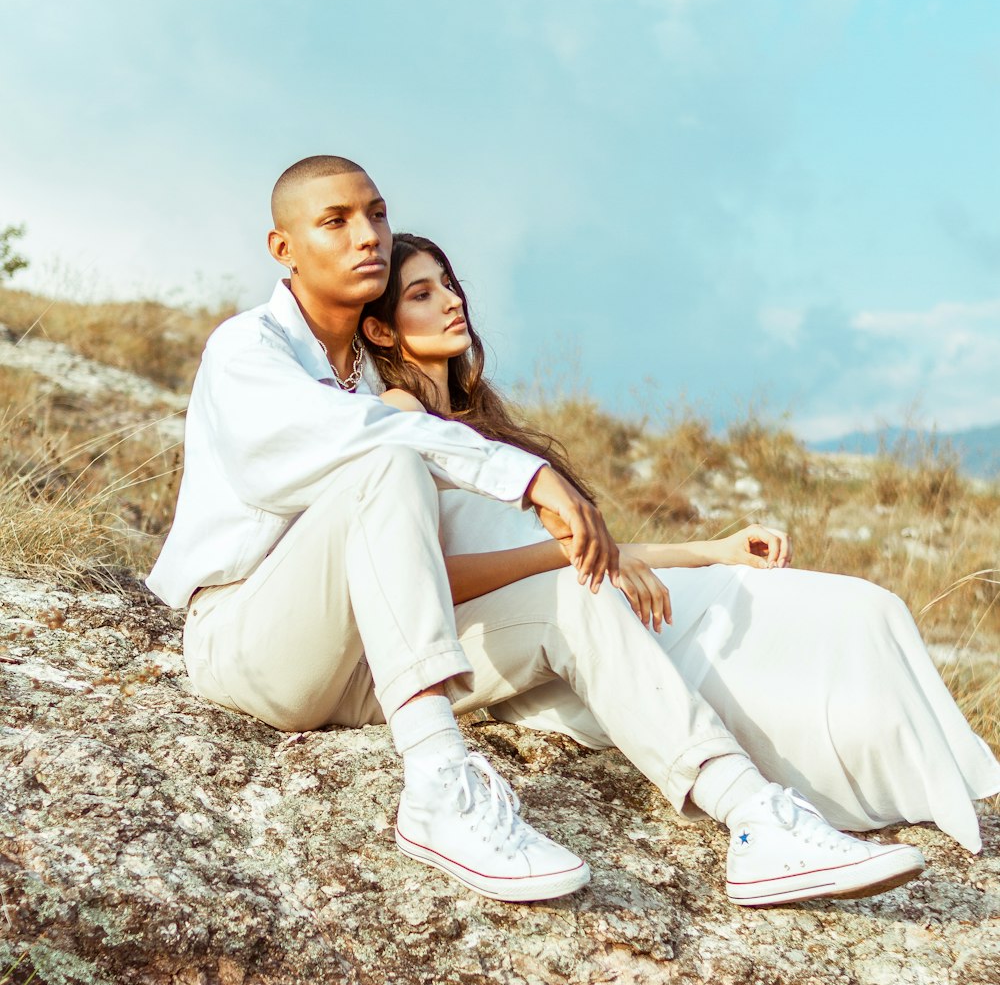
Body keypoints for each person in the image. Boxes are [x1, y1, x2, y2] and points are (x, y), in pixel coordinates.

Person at [146, 154, 928, 914]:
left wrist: (679, 550)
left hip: (364, 667)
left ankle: (754, 818)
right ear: (283, 248)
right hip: (247, 644)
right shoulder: (249, 348)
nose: (367, 236)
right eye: (336, 220)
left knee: (571, 592)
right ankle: (440, 785)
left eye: (377, 214)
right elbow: (326, 448)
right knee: (386, 461)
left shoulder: (370, 374)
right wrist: (528, 477)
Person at [359, 230, 1000, 863]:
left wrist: (713, 551)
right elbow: (429, 579)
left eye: (450, 284)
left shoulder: (477, 425)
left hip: (579, 589)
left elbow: (590, 547)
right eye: (422, 293)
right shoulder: (395, 420)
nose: (451, 302)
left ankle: (952, 777)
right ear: (383, 331)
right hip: (532, 634)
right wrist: (574, 557)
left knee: (865, 607)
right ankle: (801, 809)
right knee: (775, 683)